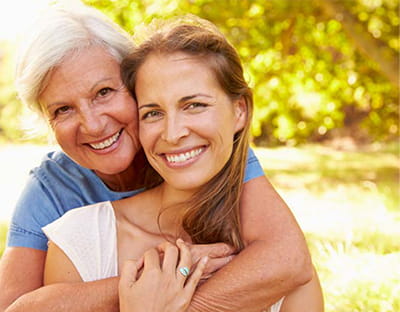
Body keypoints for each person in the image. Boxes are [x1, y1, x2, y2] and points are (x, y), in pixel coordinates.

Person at [0, 3, 312, 312]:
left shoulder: (211, 151)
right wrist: (153, 279)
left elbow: (288, 259)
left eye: (104, 92)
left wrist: (176, 296)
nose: (93, 124)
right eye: (63, 109)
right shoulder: (57, 200)